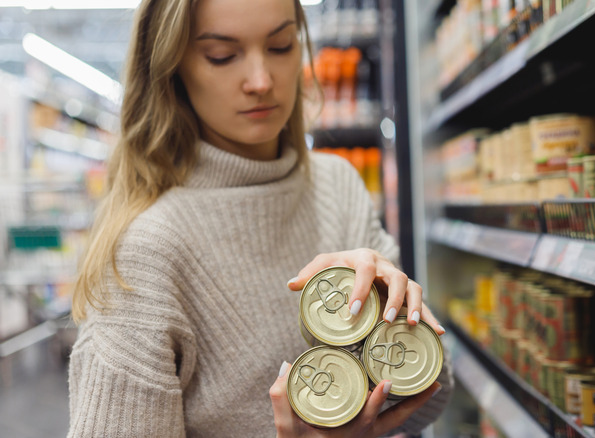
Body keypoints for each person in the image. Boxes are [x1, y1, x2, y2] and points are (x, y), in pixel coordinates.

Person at [67, 0, 452, 436]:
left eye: (281, 45)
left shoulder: (336, 186)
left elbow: (430, 399)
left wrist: (398, 319)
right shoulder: (144, 253)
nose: (262, 81)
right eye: (222, 56)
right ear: (170, 66)